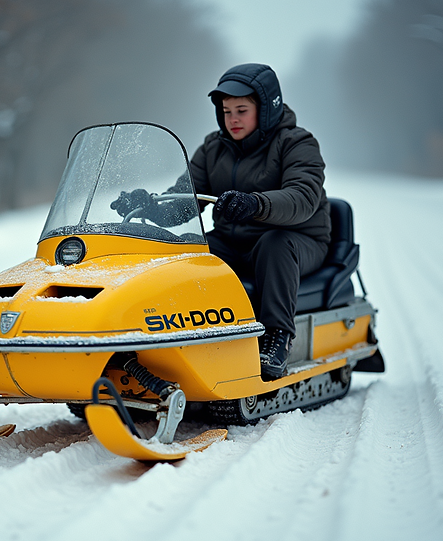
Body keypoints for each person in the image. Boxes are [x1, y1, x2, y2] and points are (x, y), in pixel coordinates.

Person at [111, 63, 330, 380]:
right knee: (192, 251)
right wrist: (148, 206)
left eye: (242, 109)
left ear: (267, 109)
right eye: (227, 111)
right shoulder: (213, 148)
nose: (233, 119)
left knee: (275, 244)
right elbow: (184, 201)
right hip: (236, 242)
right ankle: (181, 336)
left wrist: (255, 203)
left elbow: (303, 197)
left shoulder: (297, 143)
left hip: (297, 242)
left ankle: (277, 338)